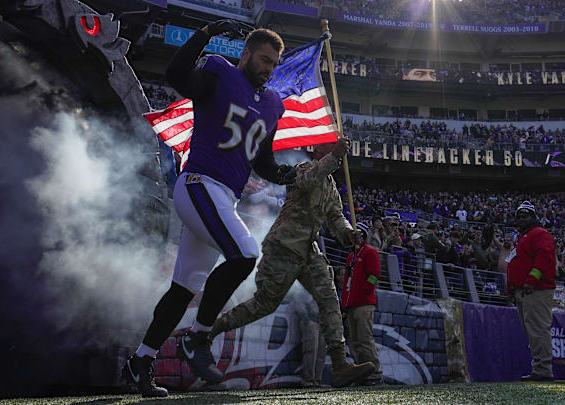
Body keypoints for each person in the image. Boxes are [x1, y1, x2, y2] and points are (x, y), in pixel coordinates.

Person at [122, 20, 297, 397]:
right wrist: (204, 34)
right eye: (263, 59)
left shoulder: (271, 104)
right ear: (247, 53)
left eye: (273, 64)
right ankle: (198, 338)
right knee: (245, 253)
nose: (267, 68)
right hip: (199, 183)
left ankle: (140, 361)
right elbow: (177, 75)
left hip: (223, 197)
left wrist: (283, 174)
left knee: (183, 288)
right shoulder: (219, 73)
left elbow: (261, 160)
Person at [208, 140, 376, 388]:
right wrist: (335, 158)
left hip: (308, 250)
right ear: (320, 152)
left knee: (329, 298)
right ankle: (209, 330)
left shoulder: (330, 186)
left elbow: (336, 218)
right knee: (264, 304)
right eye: (331, 149)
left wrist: (349, 233)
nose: (337, 153)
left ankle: (340, 365)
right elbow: (307, 182)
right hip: (283, 246)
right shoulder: (303, 168)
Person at [507, 201, 557, 382]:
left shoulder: (539, 234)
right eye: (518, 216)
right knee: (533, 332)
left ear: (534, 217)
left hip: (536, 289)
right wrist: (512, 289)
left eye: (525, 216)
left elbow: (545, 257)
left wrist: (531, 280)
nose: (521, 219)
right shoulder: (524, 237)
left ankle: (543, 370)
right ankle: (540, 368)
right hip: (524, 290)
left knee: (538, 330)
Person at [342, 222, 383, 385]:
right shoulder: (351, 256)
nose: (354, 238)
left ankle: (374, 372)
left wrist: (365, 291)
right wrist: (345, 303)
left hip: (363, 303)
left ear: (363, 235)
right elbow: (346, 281)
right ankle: (361, 371)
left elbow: (375, 275)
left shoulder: (370, 252)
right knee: (353, 340)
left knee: (365, 338)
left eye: (357, 234)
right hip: (351, 304)